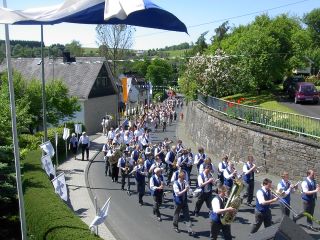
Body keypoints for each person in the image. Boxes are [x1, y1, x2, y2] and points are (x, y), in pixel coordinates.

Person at [172, 171, 195, 236]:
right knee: (176, 214)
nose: (184, 178)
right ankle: (175, 226)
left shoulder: (185, 182)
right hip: (178, 202)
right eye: (183, 177)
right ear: (180, 177)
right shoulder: (175, 184)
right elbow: (178, 194)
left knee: (187, 215)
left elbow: (188, 189)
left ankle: (189, 229)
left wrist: (191, 192)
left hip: (184, 201)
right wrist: (185, 189)